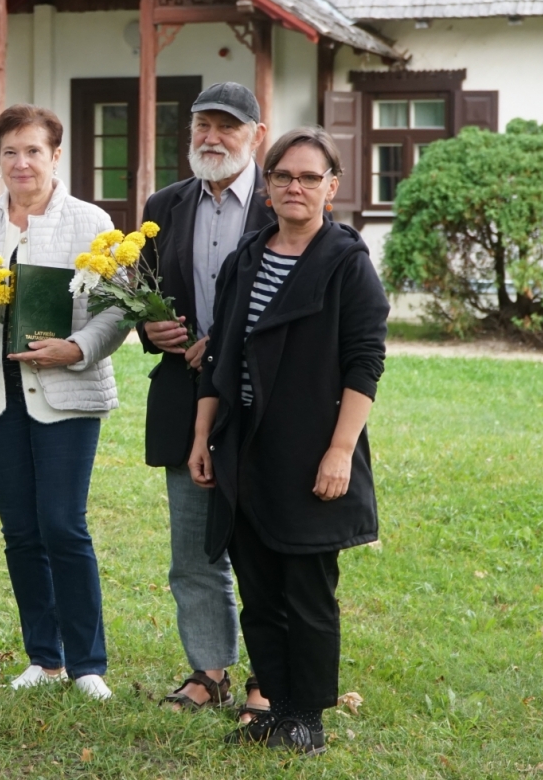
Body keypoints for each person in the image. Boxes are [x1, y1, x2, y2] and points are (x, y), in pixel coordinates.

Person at [187, 127, 388, 755]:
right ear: (267, 187)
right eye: (282, 177)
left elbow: (364, 363)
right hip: (244, 445)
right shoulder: (248, 255)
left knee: (306, 591)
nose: (294, 187)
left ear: (332, 187)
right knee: (258, 587)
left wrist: (339, 452)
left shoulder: (346, 263)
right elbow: (222, 351)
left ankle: (306, 717)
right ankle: (271, 705)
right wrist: (202, 436)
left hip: (310, 447)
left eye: (308, 177)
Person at [0, 105, 130, 701]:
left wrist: (75, 347)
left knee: (62, 524)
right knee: (21, 530)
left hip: (67, 395)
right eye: (10, 152)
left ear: (56, 156)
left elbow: (118, 308)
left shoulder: (89, 221)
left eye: (33, 151)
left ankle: (87, 664)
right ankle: (44, 658)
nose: (21, 162)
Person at [137, 82, 274, 717]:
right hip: (183, 397)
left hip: (262, 402)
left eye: (227, 126)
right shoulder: (162, 205)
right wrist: (151, 329)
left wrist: (228, 342)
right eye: (202, 126)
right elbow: (143, 296)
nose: (212, 138)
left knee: (265, 544)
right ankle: (209, 670)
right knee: (192, 548)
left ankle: (269, 678)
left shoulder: (284, 205)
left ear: (257, 135)